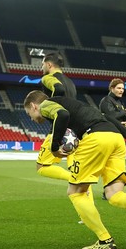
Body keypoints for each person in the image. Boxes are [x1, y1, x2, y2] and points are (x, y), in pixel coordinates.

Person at [23, 90, 126, 249]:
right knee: (114, 195)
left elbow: (62, 115)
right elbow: (108, 117)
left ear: (34, 106)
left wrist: (55, 146)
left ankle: (105, 240)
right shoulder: (76, 104)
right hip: (115, 138)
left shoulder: (46, 105)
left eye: (29, 113)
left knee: (76, 192)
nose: (31, 118)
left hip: (95, 138)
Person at [34, 53, 93, 201]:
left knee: (41, 167)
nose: (42, 68)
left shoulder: (47, 78)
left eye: (42, 64)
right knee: (77, 168)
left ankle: (73, 177)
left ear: (49, 65)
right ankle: (86, 207)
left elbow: (58, 90)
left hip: (60, 129)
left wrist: (49, 106)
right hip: (74, 131)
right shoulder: (71, 82)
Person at [98, 78, 126, 152]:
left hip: (118, 135)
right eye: (119, 88)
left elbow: (120, 118)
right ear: (112, 88)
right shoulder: (106, 100)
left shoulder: (119, 102)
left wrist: (125, 122)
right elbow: (110, 116)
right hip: (108, 135)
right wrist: (125, 111)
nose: (121, 90)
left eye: (123, 88)